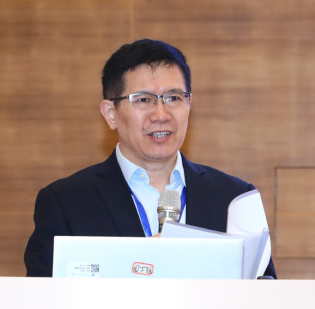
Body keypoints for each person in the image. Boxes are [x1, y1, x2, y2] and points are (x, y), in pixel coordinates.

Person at [24, 38, 276, 279]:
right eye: (144, 100)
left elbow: (265, 296)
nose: (161, 115)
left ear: (189, 105)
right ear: (110, 113)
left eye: (174, 98)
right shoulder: (66, 203)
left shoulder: (234, 198)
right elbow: (43, 299)